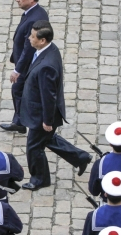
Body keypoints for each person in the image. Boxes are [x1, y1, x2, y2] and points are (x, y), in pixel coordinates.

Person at [18, 21, 92, 190]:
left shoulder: (46, 67)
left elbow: (48, 96)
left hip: (40, 114)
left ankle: (39, 179)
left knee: (34, 147)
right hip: (38, 108)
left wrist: (47, 121)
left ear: (42, 40)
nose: (29, 38)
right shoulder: (50, 49)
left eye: (32, 36)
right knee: (48, 139)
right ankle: (80, 157)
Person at [0, 0, 49, 133]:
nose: (18, 0)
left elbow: (28, 49)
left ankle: (25, 121)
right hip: (28, 62)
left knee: (18, 89)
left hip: (28, 64)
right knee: (20, 90)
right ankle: (20, 121)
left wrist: (17, 70)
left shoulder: (34, 19)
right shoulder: (33, 12)